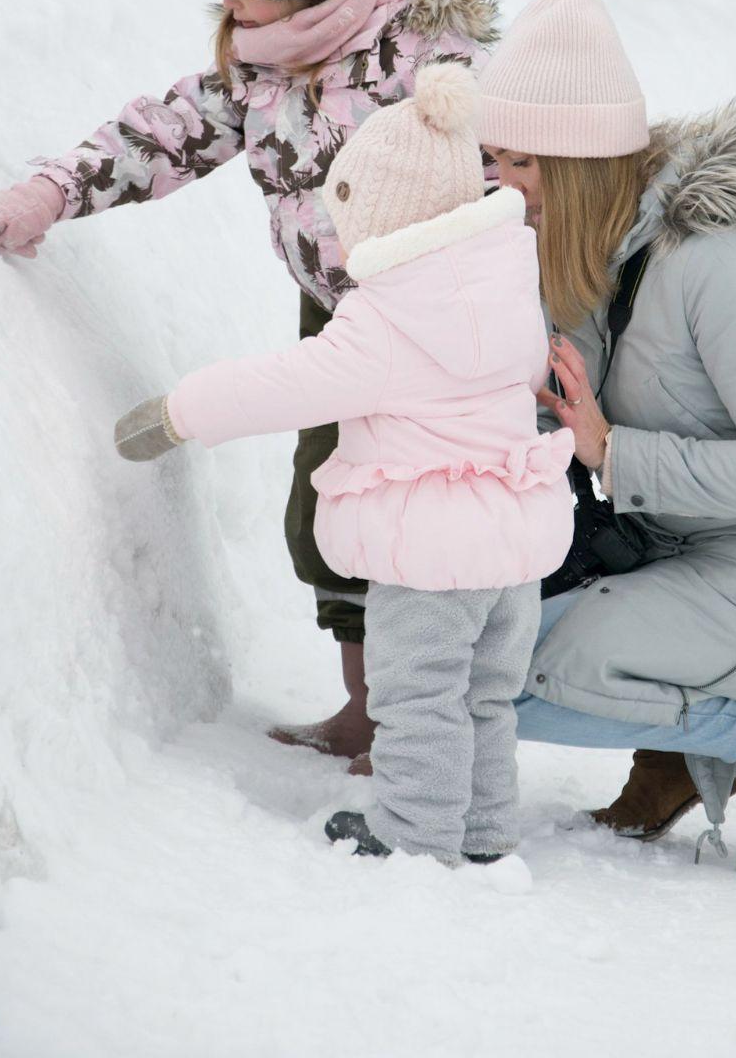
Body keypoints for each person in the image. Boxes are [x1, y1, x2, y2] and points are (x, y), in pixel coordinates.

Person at [0, 0, 497, 762]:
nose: (230, 13)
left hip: (443, 324)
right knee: (326, 511)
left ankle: (434, 719)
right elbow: (165, 132)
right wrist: (55, 189)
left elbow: (517, 167)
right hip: (337, 318)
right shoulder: (258, 64)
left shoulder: (422, 55)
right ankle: (366, 705)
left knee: (432, 521)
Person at [475, 0, 736, 876]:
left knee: (499, 674)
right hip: (677, 553)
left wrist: (610, 450)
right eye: (491, 158)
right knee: (469, 635)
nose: (501, 183)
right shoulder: (582, 254)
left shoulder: (720, 265)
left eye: (523, 162)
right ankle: (671, 745)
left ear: (584, 164)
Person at [114, 65, 574, 866]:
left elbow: (285, 384)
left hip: (431, 553)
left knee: (418, 695)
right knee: (483, 696)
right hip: (513, 545)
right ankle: (483, 829)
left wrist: (178, 412)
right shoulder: (507, 282)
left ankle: (415, 833)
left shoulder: (389, 318)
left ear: (383, 213)